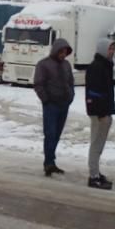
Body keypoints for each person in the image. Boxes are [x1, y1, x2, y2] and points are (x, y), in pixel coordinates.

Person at [33, 38, 75, 177]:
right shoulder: (44, 65)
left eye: (65, 52)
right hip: (51, 105)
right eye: (61, 51)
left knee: (56, 134)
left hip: (64, 104)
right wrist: (46, 99)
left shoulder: (67, 65)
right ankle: (48, 163)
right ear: (56, 50)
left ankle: (51, 161)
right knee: (50, 133)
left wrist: (70, 97)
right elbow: (38, 84)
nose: (63, 54)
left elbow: (70, 82)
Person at [84, 38, 115, 190]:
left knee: (99, 144)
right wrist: (102, 112)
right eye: (110, 48)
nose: (112, 51)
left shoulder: (106, 66)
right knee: (96, 144)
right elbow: (94, 92)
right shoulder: (96, 67)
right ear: (103, 49)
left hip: (105, 111)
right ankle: (93, 176)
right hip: (99, 113)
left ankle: (96, 172)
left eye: (113, 48)